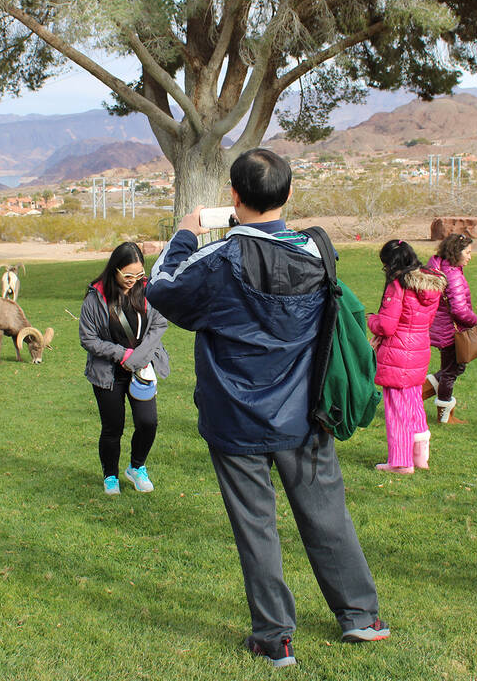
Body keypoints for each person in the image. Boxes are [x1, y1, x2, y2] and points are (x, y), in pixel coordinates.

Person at [147, 148, 388, 668]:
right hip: (305, 414)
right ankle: (360, 616)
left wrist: (186, 233)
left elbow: (163, 289)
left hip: (236, 419)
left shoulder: (217, 261)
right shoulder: (316, 254)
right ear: (288, 194)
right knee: (327, 515)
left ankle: (274, 636)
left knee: (255, 524)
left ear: (234, 197)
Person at [79, 241, 170, 495]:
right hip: (107, 373)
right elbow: (88, 339)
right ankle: (110, 475)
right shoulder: (95, 298)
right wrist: (122, 355)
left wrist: (139, 357)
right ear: (114, 270)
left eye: (139, 274)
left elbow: (159, 325)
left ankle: (136, 467)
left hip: (142, 369)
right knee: (113, 427)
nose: (134, 280)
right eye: (128, 275)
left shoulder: (148, 291)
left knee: (148, 422)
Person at [368, 239, 446, 473]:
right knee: (414, 403)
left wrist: (372, 319)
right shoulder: (430, 285)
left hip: (398, 353)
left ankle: (401, 461)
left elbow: (387, 326)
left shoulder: (398, 284)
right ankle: (419, 457)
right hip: (419, 350)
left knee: (397, 407)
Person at [425, 233, 477, 424]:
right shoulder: (453, 273)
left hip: (441, 328)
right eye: (468, 252)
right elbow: (458, 309)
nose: (470, 257)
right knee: (451, 370)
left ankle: (422, 391)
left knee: (454, 367)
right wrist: (475, 322)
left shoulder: (440, 266)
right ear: (457, 252)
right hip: (451, 330)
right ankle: (444, 415)